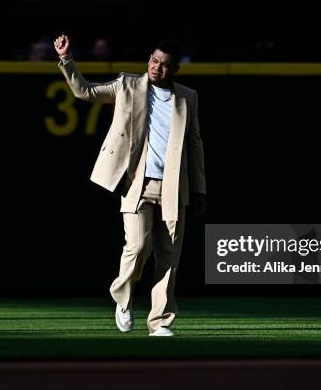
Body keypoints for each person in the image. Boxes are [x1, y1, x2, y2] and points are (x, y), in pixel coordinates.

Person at [54, 34, 207, 337]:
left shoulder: (187, 98)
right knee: (137, 248)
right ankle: (122, 300)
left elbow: (194, 144)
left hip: (176, 188)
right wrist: (67, 60)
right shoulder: (128, 85)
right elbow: (86, 92)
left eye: (164, 65)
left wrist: (200, 189)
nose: (156, 68)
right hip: (137, 183)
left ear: (175, 69)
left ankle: (159, 322)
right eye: (153, 60)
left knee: (169, 259)